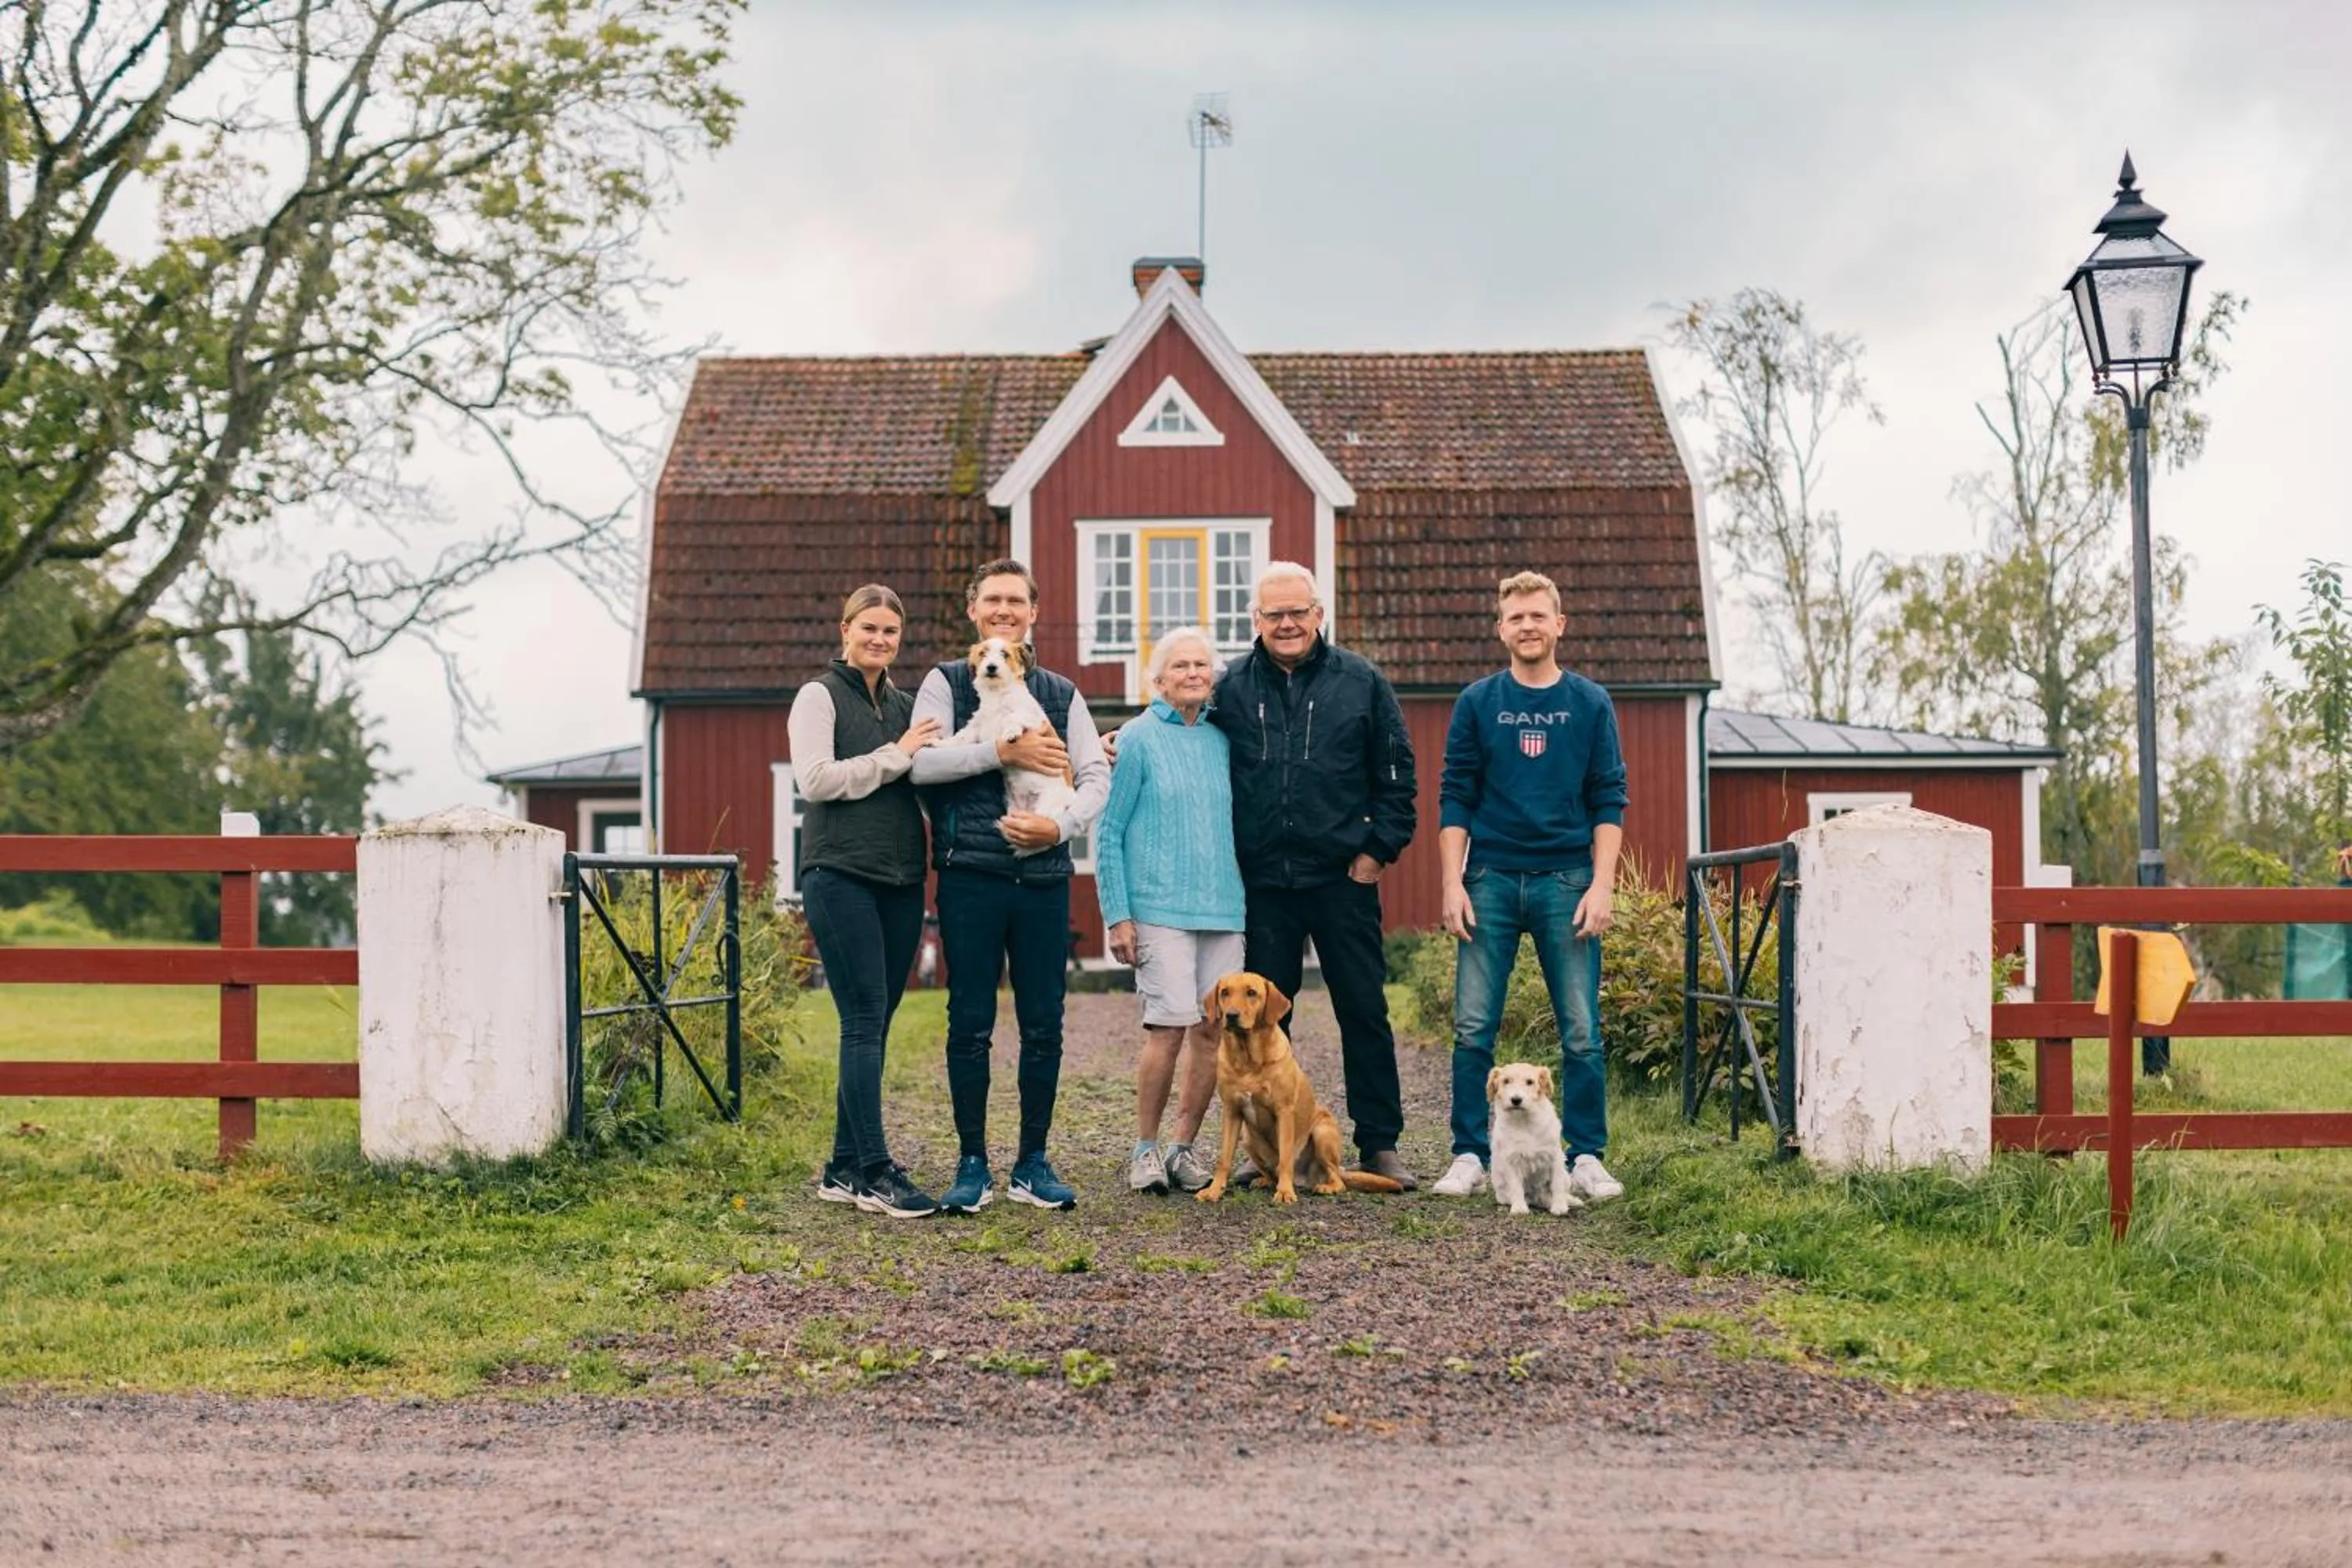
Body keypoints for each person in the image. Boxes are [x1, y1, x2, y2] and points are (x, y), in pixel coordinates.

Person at [1207, 561, 1421, 1189]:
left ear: (1318, 614)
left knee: (1363, 1009)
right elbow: (1183, 733)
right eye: (1274, 614)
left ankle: (1379, 1143)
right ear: (1256, 620)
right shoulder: (1231, 688)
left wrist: (1375, 854)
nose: (1287, 623)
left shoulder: (1361, 682)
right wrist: (1121, 739)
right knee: (1264, 1019)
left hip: (1341, 879)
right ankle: (1267, 1152)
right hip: (1264, 884)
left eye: (1297, 612)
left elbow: (1397, 777)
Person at [910, 559, 1110, 1211]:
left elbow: (1094, 777)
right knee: (969, 1021)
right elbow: (922, 765)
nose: (1004, 609)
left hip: (1043, 878)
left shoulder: (1062, 693)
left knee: (1043, 1023)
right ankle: (972, 1163)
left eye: (1016, 601)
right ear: (973, 610)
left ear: (1033, 614)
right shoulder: (944, 683)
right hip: (971, 874)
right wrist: (1001, 753)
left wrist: (1060, 829)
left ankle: (1032, 1162)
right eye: (992, 599)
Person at [1429, 570, 1629, 1203]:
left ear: (1559, 624)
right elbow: (1456, 794)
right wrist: (1452, 883)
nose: (1528, 626)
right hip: (1488, 878)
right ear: (1501, 629)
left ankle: (1586, 1156)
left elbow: (1608, 797)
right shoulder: (1478, 702)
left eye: (1538, 615)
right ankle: (1470, 1154)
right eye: (1516, 617)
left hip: (1566, 881)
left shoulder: (1590, 703)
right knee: (1472, 1028)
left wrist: (1602, 885)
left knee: (1581, 1030)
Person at [791, 585, 942, 1218]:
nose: (880, 640)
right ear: (845, 630)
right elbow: (815, 779)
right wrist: (895, 755)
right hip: (839, 873)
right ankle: (876, 1171)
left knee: (876, 1023)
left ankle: (842, 1166)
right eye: (869, 628)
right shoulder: (818, 696)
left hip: (901, 879)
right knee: (862, 1017)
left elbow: (938, 778)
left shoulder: (910, 706)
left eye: (890, 631)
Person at [1094, 626, 1244, 1195]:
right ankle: (1144, 1149)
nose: (1192, 674)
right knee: (1168, 1029)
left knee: (1212, 1031)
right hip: (1159, 909)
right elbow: (1109, 832)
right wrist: (1118, 914)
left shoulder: (1223, 739)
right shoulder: (1136, 738)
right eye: (1180, 666)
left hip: (1224, 908)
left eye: (1201, 666)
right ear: (1158, 681)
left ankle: (1183, 1148)